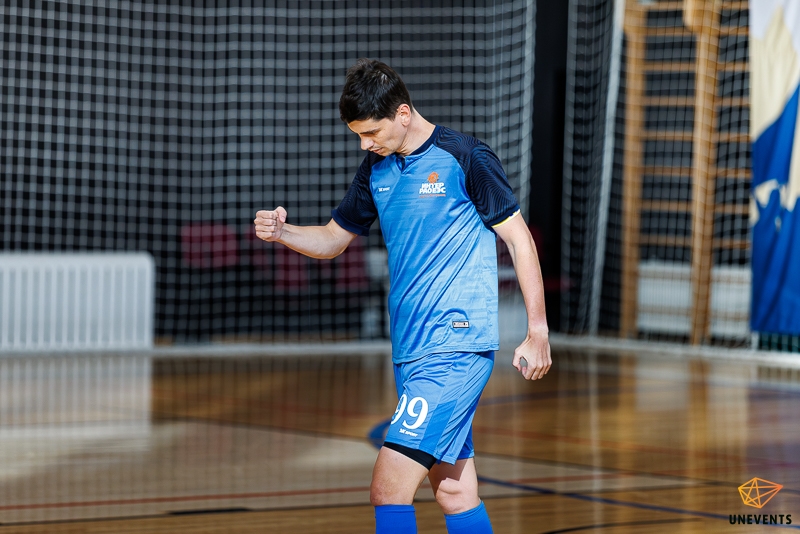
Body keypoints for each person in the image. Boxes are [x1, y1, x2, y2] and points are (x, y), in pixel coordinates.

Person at [254, 58, 551, 534]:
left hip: (454, 346)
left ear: (404, 114)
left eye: (371, 132)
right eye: (358, 135)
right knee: (453, 490)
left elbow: (519, 240)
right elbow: (333, 239)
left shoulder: (465, 157)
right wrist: (283, 232)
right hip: (411, 349)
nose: (365, 143)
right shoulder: (376, 167)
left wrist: (537, 332)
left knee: (388, 487)